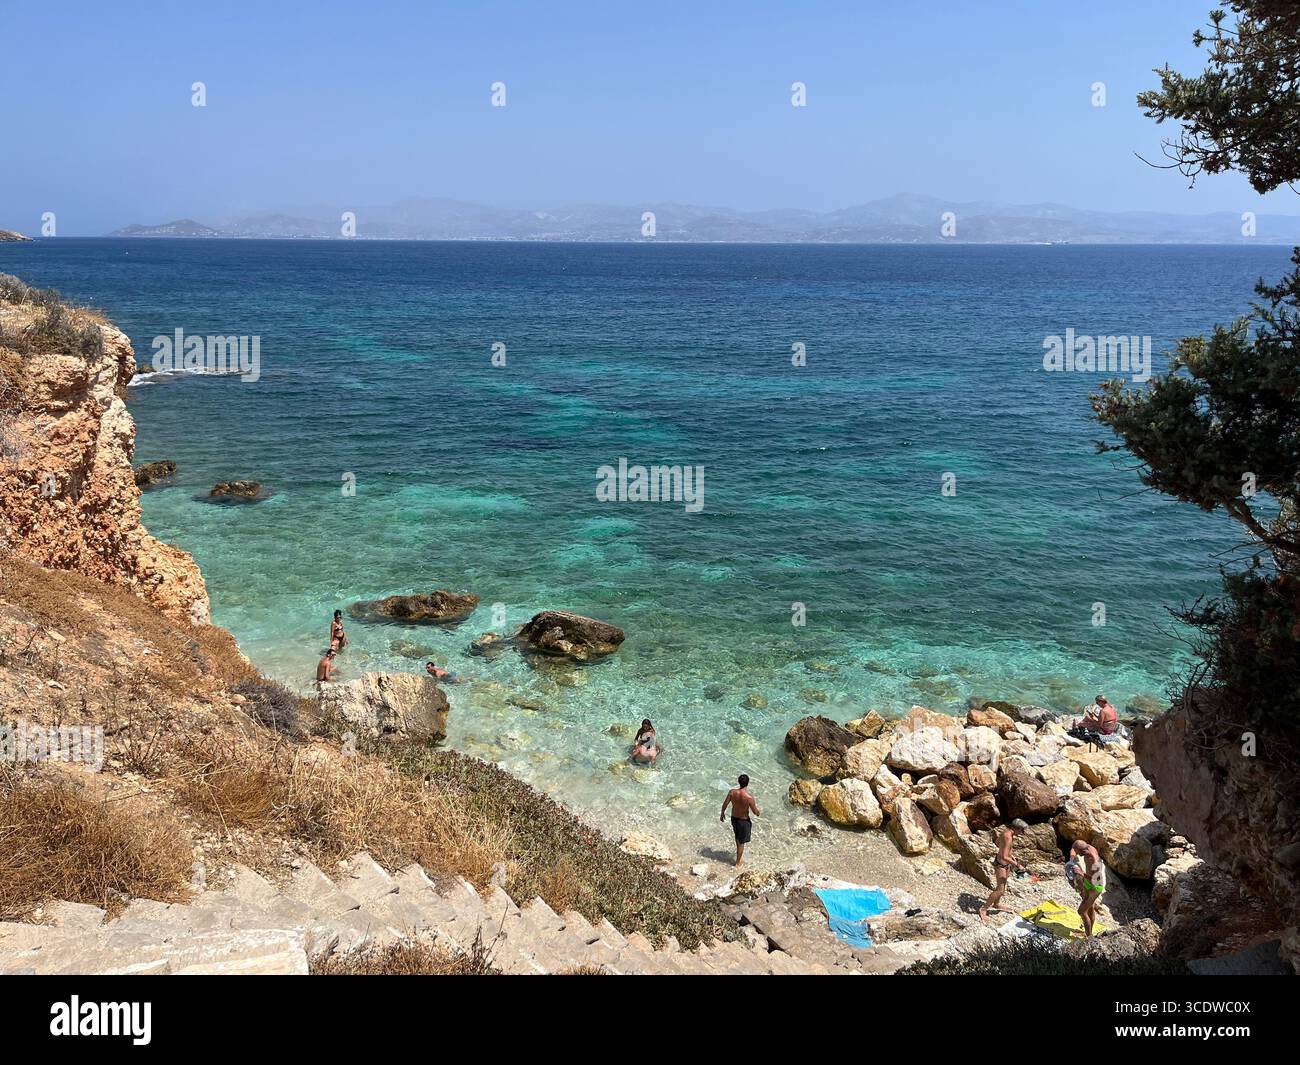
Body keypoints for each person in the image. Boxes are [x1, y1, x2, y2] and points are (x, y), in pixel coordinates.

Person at [979, 818, 1029, 921]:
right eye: (1022, 830)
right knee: (1000, 890)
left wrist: (1012, 855)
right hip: (1001, 865)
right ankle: (983, 909)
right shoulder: (1008, 837)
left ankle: (996, 904)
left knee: (1002, 886)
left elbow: (998, 843)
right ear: (1016, 828)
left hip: (1005, 865)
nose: (1022, 833)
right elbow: (1004, 856)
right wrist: (1017, 865)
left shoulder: (1006, 833)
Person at [720, 774, 760, 867]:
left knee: (738, 839)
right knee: (741, 843)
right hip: (743, 821)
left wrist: (722, 813)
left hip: (734, 819)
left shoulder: (732, 792)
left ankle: (738, 858)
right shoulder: (749, 798)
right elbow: (755, 812)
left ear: (739, 782)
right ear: (748, 783)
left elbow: (725, 803)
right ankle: (738, 863)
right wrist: (758, 813)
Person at [1070, 839, 1106, 937]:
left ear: (1083, 851)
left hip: (1095, 887)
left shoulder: (1095, 861)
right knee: (1090, 908)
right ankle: (1090, 931)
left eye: (1078, 853)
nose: (1076, 854)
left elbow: (1096, 880)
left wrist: (1082, 873)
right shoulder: (1085, 846)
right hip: (1088, 882)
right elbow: (1074, 847)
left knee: (1081, 911)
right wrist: (1071, 860)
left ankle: (1089, 937)